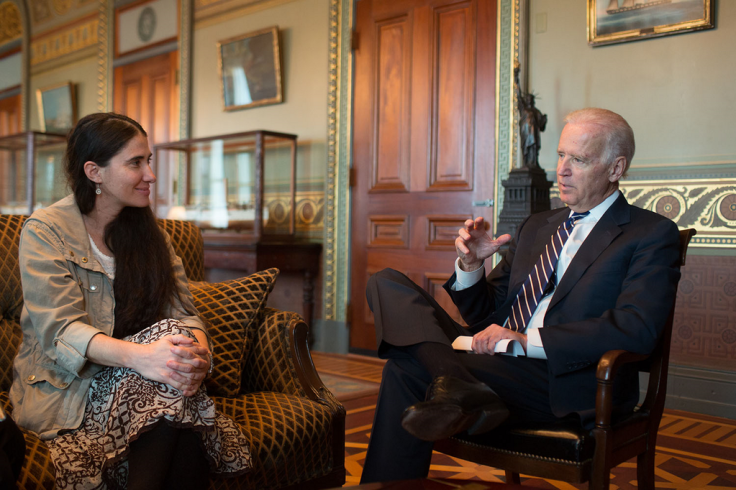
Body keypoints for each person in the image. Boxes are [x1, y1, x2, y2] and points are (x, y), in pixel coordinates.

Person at [360, 108, 682, 483]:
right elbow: (488, 312)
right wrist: (471, 267)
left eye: (578, 159)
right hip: (492, 360)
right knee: (385, 282)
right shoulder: (538, 227)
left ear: (615, 169)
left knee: (404, 368)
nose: (561, 169)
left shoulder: (649, 233)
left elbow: (637, 327)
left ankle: (451, 392)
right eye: (561, 155)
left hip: (562, 378)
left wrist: (526, 340)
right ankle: (457, 382)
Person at [10, 113, 251, 489]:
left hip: (142, 376)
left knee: (173, 374)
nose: (151, 174)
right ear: (95, 172)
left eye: (149, 161)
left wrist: (197, 358)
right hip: (70, 389)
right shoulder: (44, 231)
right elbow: (62, 332)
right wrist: (149, 359)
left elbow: (183, 312)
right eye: (135, 163)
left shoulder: (153, 234)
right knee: (171, 394)